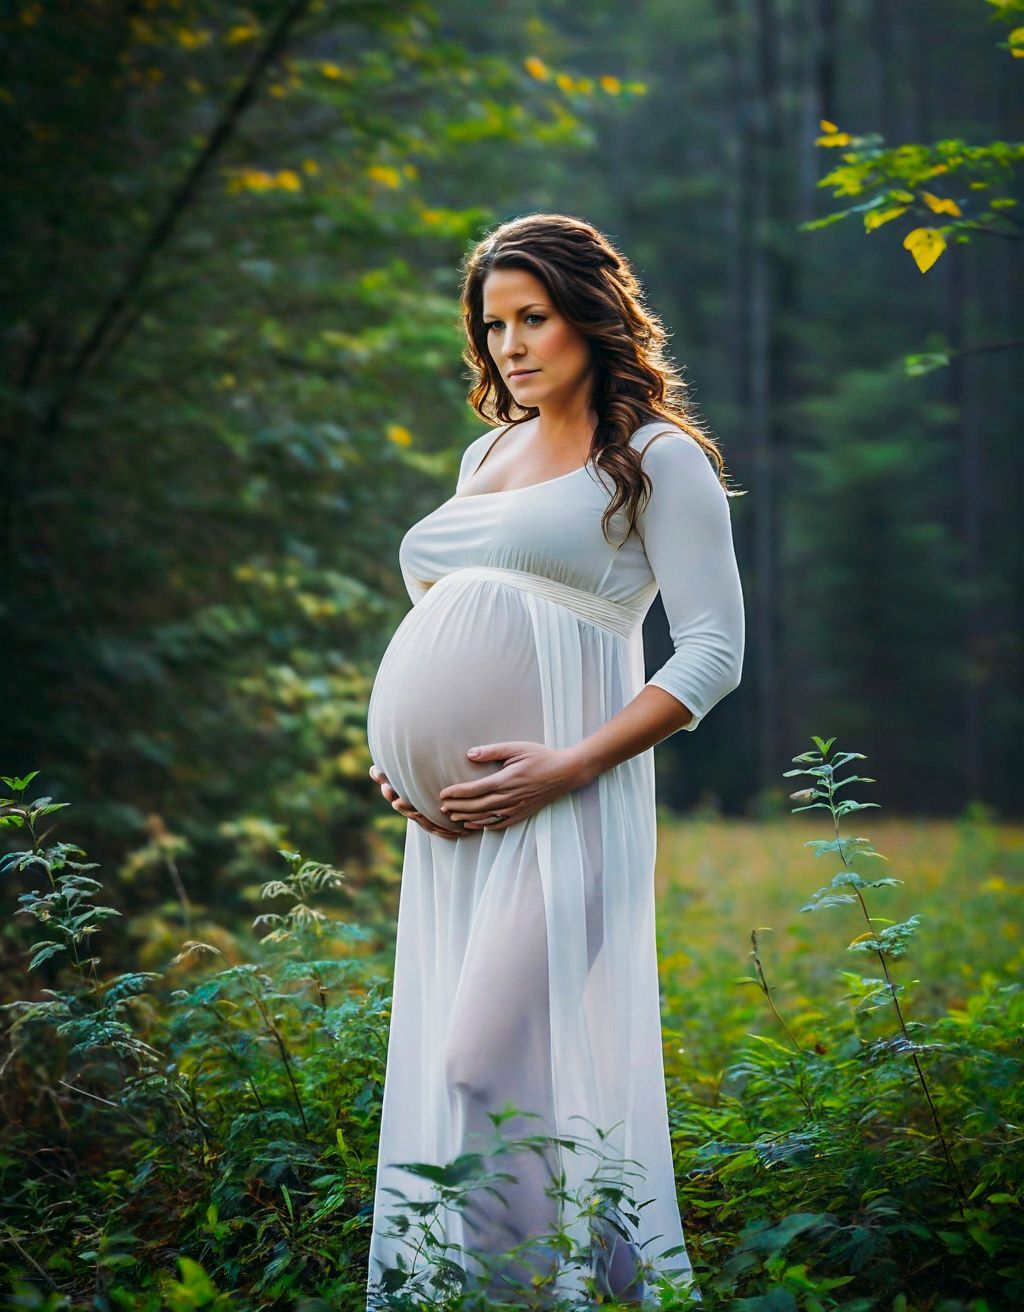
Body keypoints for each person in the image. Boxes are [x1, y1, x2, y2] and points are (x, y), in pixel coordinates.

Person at [364, 212, 745, 1308]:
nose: (511, 345)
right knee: (513, 1085)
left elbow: (713, 653)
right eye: (493, 326)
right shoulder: (482, 453)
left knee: (481, 1069)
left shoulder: (654, 457)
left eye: (533, 317)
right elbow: (450, 626)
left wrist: (569, 763)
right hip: (455, 823)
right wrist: (408, 765)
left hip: (570, 807)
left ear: (590, 313)